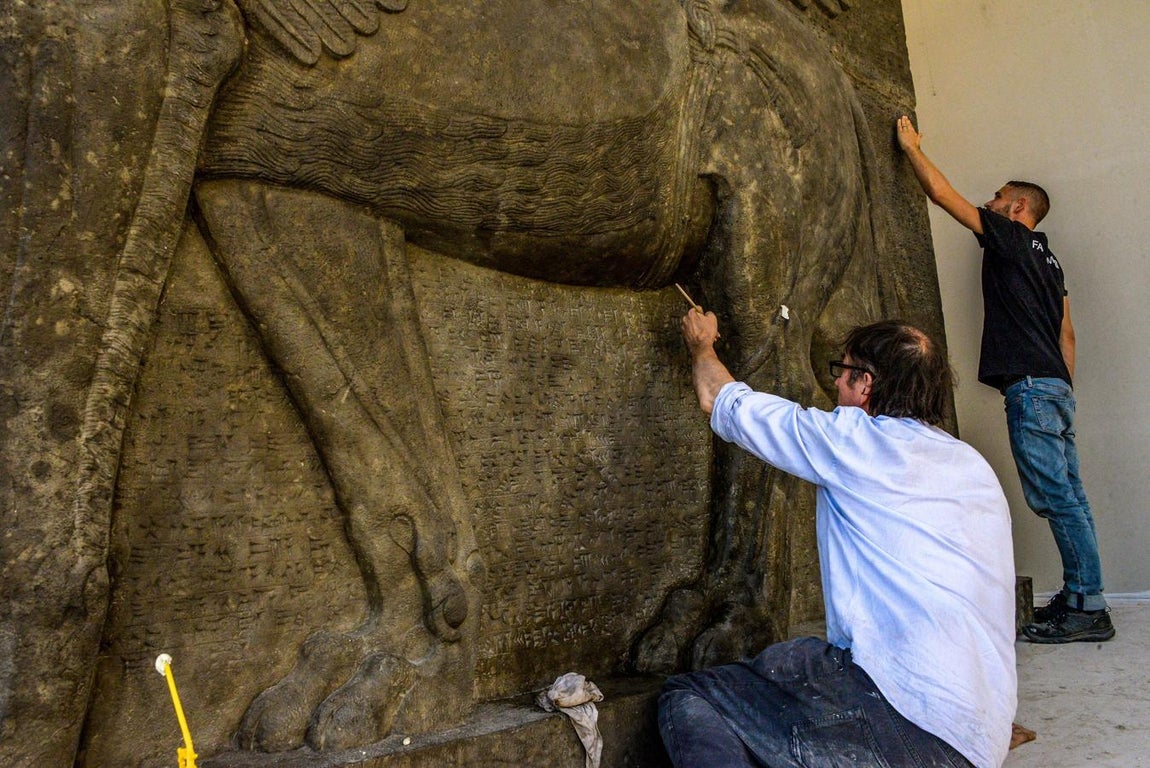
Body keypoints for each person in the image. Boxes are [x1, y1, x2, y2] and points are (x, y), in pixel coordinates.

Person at [659, 314, 1016, 768]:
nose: (835, 385)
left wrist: (702, 345)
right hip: (977, 743)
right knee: (797, 660)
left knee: (692, 696)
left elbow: (719, 398)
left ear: (865, 384)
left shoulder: (853, 441)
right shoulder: (973, 466)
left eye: (841, 371)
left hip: (898, 713)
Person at [895, 115, 1113, 644]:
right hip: (1054, 388)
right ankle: (1083, 597)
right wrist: (1061, 389)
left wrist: (911, 148)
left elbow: (944, 196)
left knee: (1056, 500)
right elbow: (1067, 334)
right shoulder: (1051, 264)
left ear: (1018, 207)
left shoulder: (1012, 237)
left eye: (998, 196)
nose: (989, 202)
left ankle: (1087, 608)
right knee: (1072, 498)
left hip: (1034, 388)